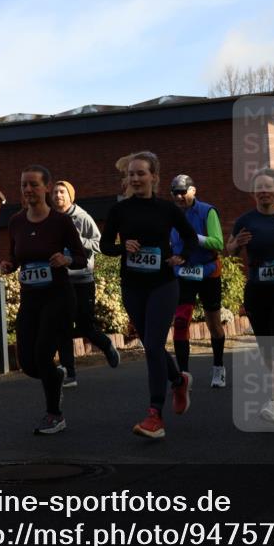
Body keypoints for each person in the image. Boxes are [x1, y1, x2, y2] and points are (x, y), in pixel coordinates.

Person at [100, 152, 197, 439]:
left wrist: (182, 256)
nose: (135, 178)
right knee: (152, 345)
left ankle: (155, 415)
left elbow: (189, 237)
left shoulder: (167, 209)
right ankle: (179, 380)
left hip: (163, 284)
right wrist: (122, 247)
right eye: (131, 174)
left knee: (154, 345)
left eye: (141, 173)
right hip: (132, 285)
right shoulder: (120, 210)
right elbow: (106, 245)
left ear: (154, 177)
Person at [0, 166, 86, 435]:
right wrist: (8, 265)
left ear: (46, 187)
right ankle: (57, 376)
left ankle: (54, 415)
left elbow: (81, 257)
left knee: (42, 352)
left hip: (58, 297)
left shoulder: (60, 222)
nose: (27, 190)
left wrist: (66, 259)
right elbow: (15, 257)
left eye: (33, 185)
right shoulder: (16, 222)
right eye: (24, 185)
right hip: (31, 299)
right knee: (27, 362)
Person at [227, 168, 274, 424]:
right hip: (256, 290)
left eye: (269, 187)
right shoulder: (245, 221)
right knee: (266, 348)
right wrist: (235, 246)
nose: (264, 191)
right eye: (259, 187)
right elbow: (231, 249)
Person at [51, 181, 120, 388]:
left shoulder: (82, 217)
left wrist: (78, 241)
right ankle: (69, 374)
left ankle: (106, 345)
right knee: (62, 327)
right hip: (61, 280)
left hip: (82, 279)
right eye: (54, 192)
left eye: (62, 192)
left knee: (85, 326)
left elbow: (100, 243)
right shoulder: (52, 219)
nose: (57, 195)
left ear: (71, 196)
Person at [169, 175, 226, 388]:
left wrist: (193, 236)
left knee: (214, 324)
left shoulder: (207, 211)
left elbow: (218, 242)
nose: (180, 196)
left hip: (208, 271)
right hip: (183, 272)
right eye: (175, 193)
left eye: (183, 191)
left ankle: (219, 367)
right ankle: (184, 375)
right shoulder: (171, 215)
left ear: (194, 190)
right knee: (181, 321)